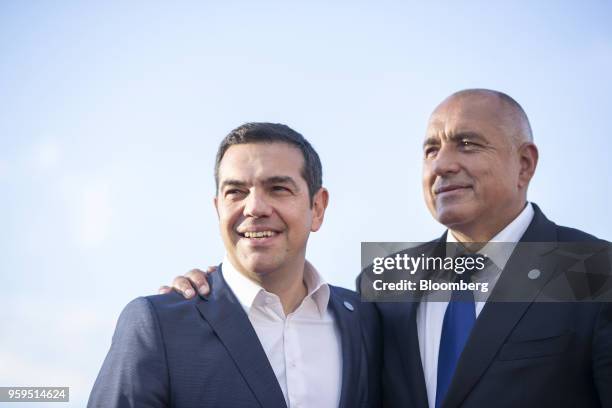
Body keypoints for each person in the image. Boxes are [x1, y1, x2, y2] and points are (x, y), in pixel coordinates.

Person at [164, 89, 611, 408]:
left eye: (467, 144)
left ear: (525, 163)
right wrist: (217, 288)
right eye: (430, 149)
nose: (442, 164)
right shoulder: (386, 277)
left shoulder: (592, 268)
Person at [89, 123, 381, 408]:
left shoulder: (368, 320)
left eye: (278, 188)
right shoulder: (158, 325)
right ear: (218, 208)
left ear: (317, 208)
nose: (254, 208)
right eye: (236, 192)